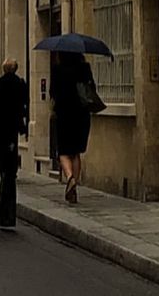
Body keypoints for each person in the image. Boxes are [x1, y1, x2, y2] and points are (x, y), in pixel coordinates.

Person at [49, 51, 94, 204]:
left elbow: (52, 92)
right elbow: (91, 90)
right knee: (76, 152)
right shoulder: (84, 68)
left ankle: (69, 178)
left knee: (63, 151)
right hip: (81, 115)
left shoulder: (57, 70)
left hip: (63, 114)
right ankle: (74, 186)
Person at [0, 58, 28, 229]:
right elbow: (24, 106)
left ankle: (4, 214)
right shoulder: (20, 84)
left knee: (3, 171)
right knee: (10, 174)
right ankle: (9, 215)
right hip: (12, 132)